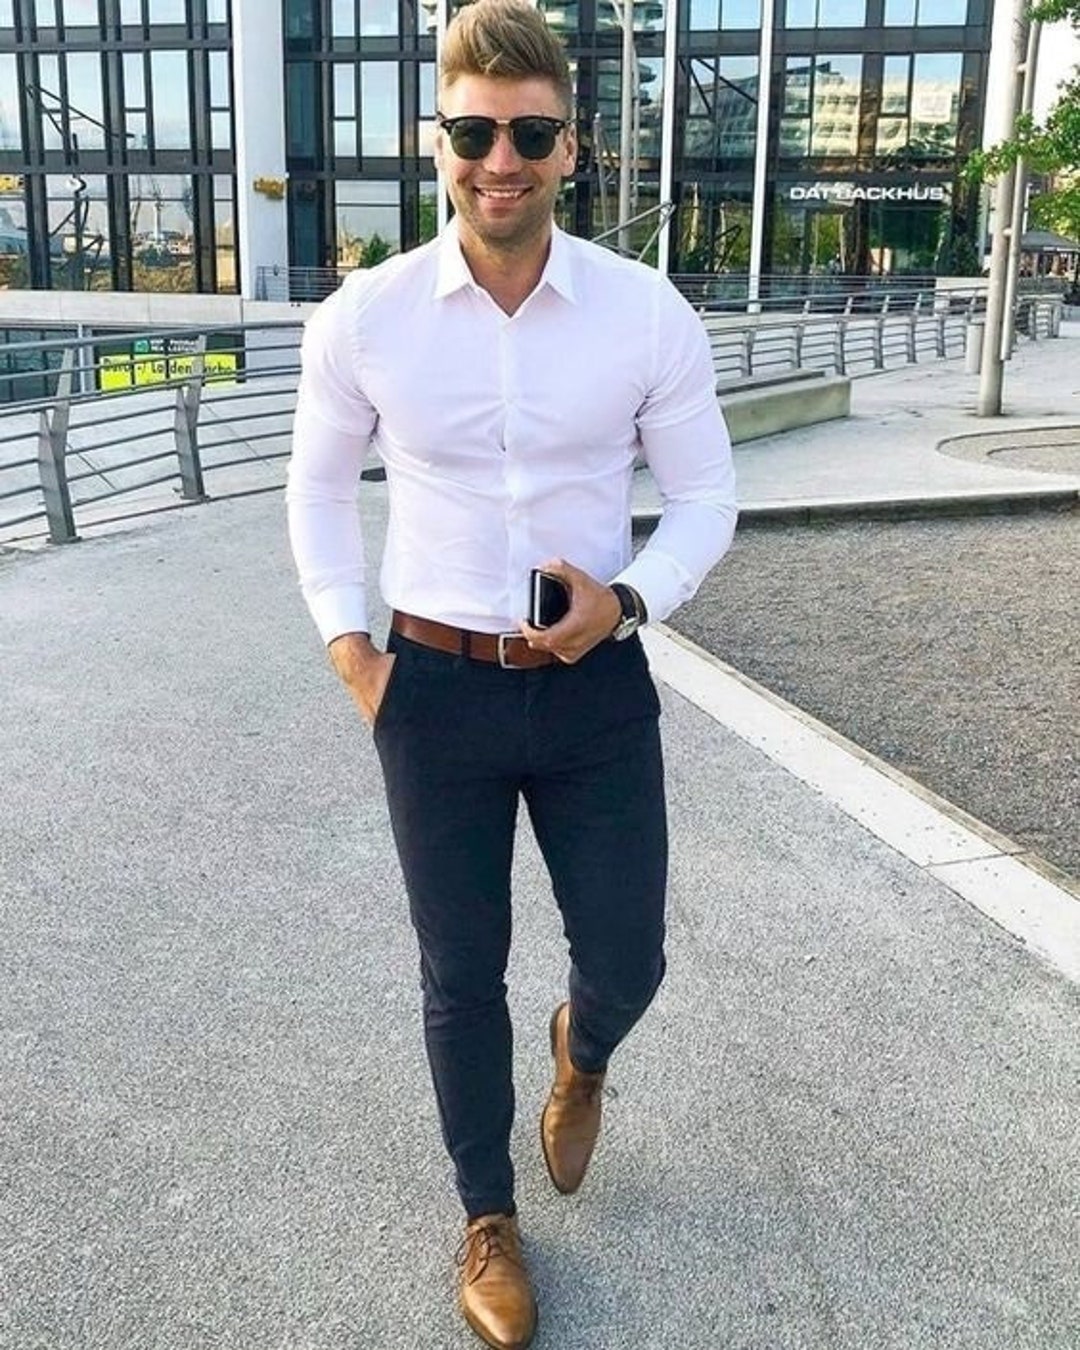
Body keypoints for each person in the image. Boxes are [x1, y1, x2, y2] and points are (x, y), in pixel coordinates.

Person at [285, 3, 736, 1346]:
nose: (501, 159)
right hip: (436, 687)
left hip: (594, 683)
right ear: (438, 140)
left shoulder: (642, 313)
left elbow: (710, 496)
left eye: (528, 133)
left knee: (633, 954)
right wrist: (351, 648)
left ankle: (583, 1048)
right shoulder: (366, 319)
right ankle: (488, 1213)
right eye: (474, 131)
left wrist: (633, 598)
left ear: (569, 148)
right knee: (455, 967)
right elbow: (314, 489)